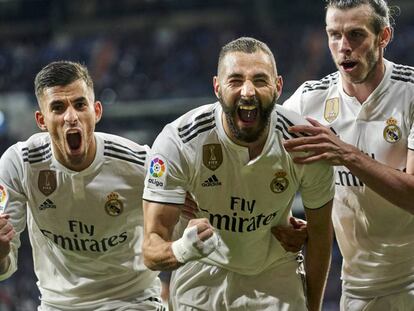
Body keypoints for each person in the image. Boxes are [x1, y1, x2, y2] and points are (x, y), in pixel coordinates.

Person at [142, 36, 335, 311]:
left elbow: (320, 235)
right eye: (235, 80)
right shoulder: (179, 141)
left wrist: (312, 308)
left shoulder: (305, 143)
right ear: (217, 87)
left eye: (260, 80)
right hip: (201, 275)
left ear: (278, 86)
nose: (248, 91)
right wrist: (184, 248)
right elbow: (151, 249)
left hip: (275, 276)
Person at [279, 0, 414, 310]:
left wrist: (346, 154)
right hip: (356, 290)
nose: (343, 47)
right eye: (334, 35)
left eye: (356, 35)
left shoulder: (410, 95)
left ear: (384, 37)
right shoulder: (309, 101)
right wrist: (288, 221)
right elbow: (261, 163)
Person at [0, 61, 166, 310]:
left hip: (133, 300)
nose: (71, 117)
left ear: (96, 111)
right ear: (41, 120)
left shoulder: (140, 163)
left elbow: (181, 228)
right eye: (57, 107)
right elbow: (4, 268)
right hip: (58, 305)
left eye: (80, 105)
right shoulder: (19, 165)